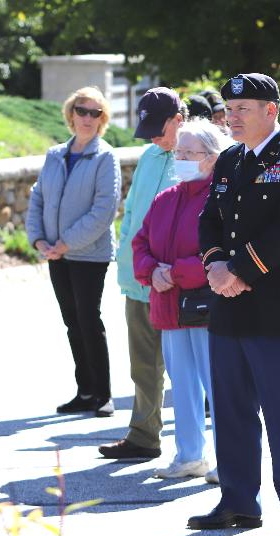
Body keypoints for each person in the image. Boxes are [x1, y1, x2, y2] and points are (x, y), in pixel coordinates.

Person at [189, 73, 280, 536]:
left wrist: (238, 270)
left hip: (276, 305)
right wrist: (214, 266)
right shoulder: (228, 160)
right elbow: (208, 221)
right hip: (228, 304)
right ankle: (238, 502)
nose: (233, 116)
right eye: (229, 108)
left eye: (243, 107)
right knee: (230, 409)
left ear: (272, 110)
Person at [132, 119, 232, 482]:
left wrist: (172, 273)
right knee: (184, 386)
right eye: (180, 152)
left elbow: (219, 253)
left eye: (191, 152)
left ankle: (229, 459)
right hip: (169, 308)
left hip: (207, 308)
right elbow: (139, 243)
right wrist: (151, 272)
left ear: (212, 157)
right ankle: (189, 456)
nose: (183, 158)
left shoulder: (221, 198)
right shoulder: (166, 198)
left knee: (218, 385)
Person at [98, 87, 184, 458]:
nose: (150, 136)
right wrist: (126, 262)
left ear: (179, 120)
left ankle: (196, 448)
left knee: (187, 369)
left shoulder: (198, 157)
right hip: (139, 282)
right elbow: (131, 212)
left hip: (176, 284)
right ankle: (144, 435)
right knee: (143, 367)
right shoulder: (150, 156)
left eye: (157, 128)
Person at [26, 86, 120, 418]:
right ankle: (85, 391)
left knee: (89, 320)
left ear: (102, 119)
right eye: (82, 111)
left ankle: (103, 394)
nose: (88, 118)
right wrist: (39, 240)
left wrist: (65, 242)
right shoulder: (55, 155)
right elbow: (37, 197)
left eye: (96, 113)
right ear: (71, 113)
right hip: (56, 254)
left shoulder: (106, 156)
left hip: (88, 255)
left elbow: (104, 209)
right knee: (72, 322)